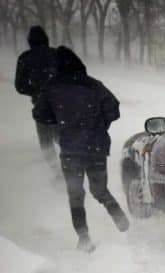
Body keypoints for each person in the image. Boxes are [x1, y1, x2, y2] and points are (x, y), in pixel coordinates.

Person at [34, 46, 129, 252]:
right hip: (96, 147)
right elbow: (114, 109)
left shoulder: (52, 87)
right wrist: (98, 124)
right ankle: (119, 218)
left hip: (70, 149)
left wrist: (60, 121)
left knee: (75, 194)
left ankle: (84, 237)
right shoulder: (93, 85)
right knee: (99, 189)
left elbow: (40, 114)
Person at [14, 25, 58, 173]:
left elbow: (20, 86)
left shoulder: (25, 58)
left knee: (46, 142)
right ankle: (72, 171)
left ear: (30, 41)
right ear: (46, 39)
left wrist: (35, 92)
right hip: (62, 105)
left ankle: (57, 171)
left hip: (41, 106)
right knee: (64, 138)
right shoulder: (57, 54)